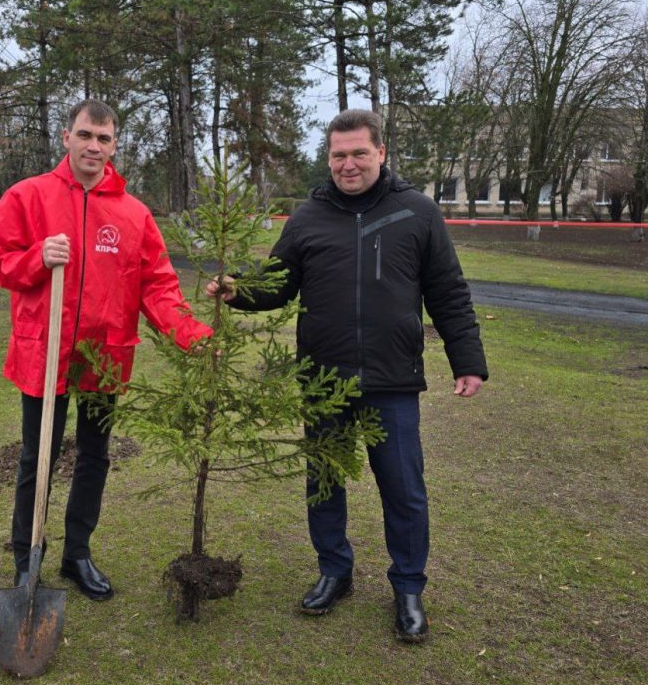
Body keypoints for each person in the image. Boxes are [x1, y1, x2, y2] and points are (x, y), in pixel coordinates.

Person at [206, 108, 488, 642]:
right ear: (328, 158)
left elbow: (448, 292)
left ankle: (408, 587)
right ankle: (334, 571)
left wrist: (467, 360)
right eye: (339, 154)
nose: (349, 163)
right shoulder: (307, 218)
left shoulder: (418, 212)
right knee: (324, 482)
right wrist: (235, 289)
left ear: (381, 153)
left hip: (392, 380)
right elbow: (276, 284)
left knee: (404, 489)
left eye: (359, 152)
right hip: (323, 378)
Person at [0, 99, 212, 600]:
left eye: (104, 139)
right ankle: (28, 557)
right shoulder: (28, 197)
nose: (94, 146)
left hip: (105, 354)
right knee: (35, 457)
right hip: (44, 352)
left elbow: (158, 285)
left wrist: (191, 335)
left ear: (114, 146)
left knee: (94, 455)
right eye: (86, 135)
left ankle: (77, 553)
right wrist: (37, 259)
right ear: (67, 137)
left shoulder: (133, 214)